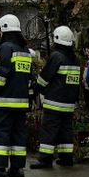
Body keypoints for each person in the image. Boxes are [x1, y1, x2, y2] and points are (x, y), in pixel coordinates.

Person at [0, 14, 32, 177]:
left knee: (0, 133)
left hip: (4, 102)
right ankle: (17, 168)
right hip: (22, 102)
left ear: (4, 28)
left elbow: (0, 77)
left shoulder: (6, 48)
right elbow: (28, 78)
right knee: (18, 135)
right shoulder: (25, 50)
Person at [30, 26, 80, 169]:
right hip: (69, 104)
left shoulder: (57, 56)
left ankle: (45, 160)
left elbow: (44, 79)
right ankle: (66, 158)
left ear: (57, 39)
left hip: (54, 103)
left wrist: (37, 88)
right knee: (66, 131)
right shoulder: (74, 59)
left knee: (49, 131)